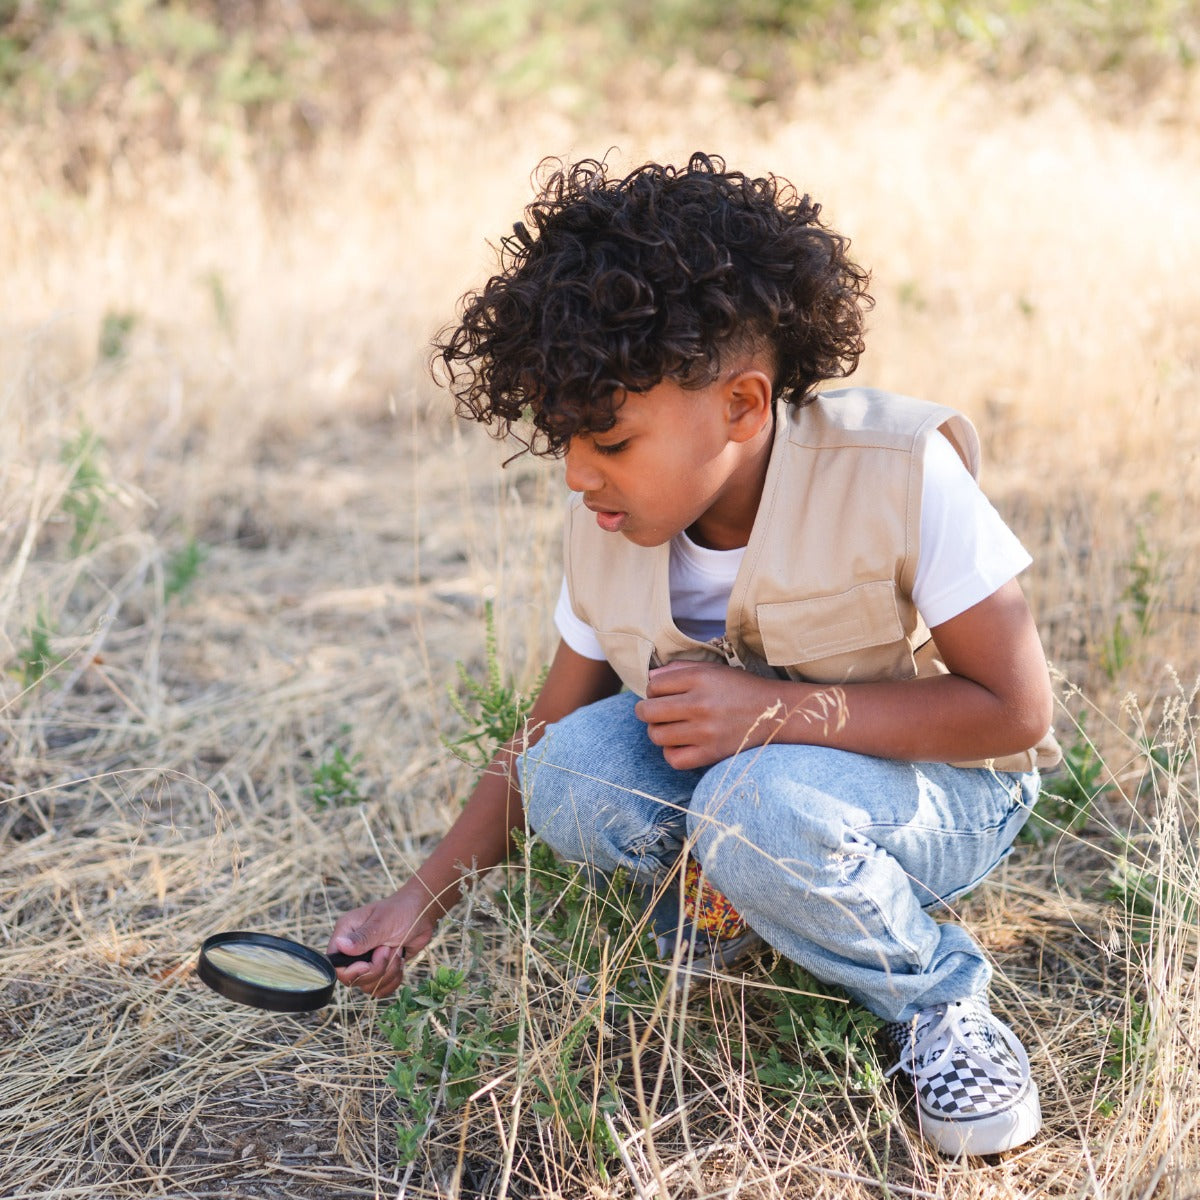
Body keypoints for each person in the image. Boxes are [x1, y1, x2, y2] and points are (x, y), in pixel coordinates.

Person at [328, 153, 1061, 1158]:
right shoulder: (617, 519)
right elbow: (546, 729)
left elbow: (1016, 714)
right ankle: (743, 907)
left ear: (744, 406)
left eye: (611, 441)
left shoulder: (896, 471)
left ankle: (936, 999)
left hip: (941, 791)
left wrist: (772, 714)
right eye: (563, 441)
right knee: (571, 776)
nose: (579, 473)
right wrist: (422, 899)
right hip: (759, 795)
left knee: (756, 807)